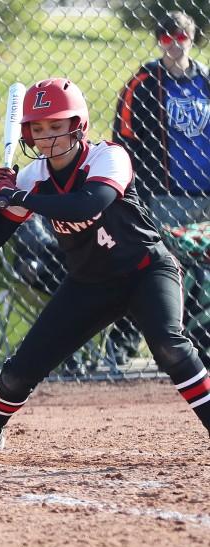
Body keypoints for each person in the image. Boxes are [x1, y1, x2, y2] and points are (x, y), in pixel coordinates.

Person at [0, 77, 210, 463]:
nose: (48, 136)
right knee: (21, 369)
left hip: (146, 269)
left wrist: (18, 196)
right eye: (39, 128)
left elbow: (88, 204)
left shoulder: (108, 157)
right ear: (28, 134)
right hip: (90, 283)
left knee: (170, 345)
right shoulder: (33, 176)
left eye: (57, 125)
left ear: (78, 124)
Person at [113, 11, 210, 365]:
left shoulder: (207, 81)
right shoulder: (142, 82)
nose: (173, 44)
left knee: (205, 275)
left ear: (191, 38)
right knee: (159, 271)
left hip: (205, 196)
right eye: (166, 38)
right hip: (164, 197)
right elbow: (122, 139)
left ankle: (200, 347)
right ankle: (127, 346)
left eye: (180, 37)